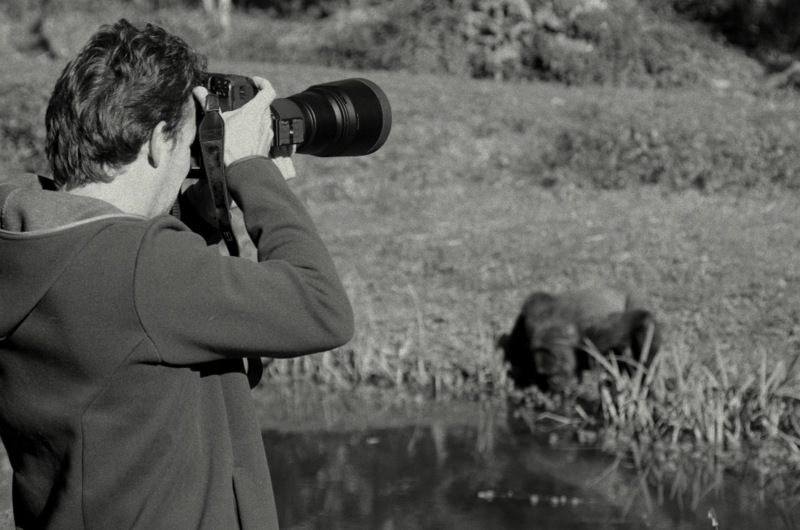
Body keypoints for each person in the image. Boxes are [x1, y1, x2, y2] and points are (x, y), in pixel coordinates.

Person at [0, 18, 354, 529]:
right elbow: (323, 309)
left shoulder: (30, 243)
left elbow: (121, 286)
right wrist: (251, 168)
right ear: (158, 142)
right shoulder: (141, 270)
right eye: (188, 140)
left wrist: (205, 203)